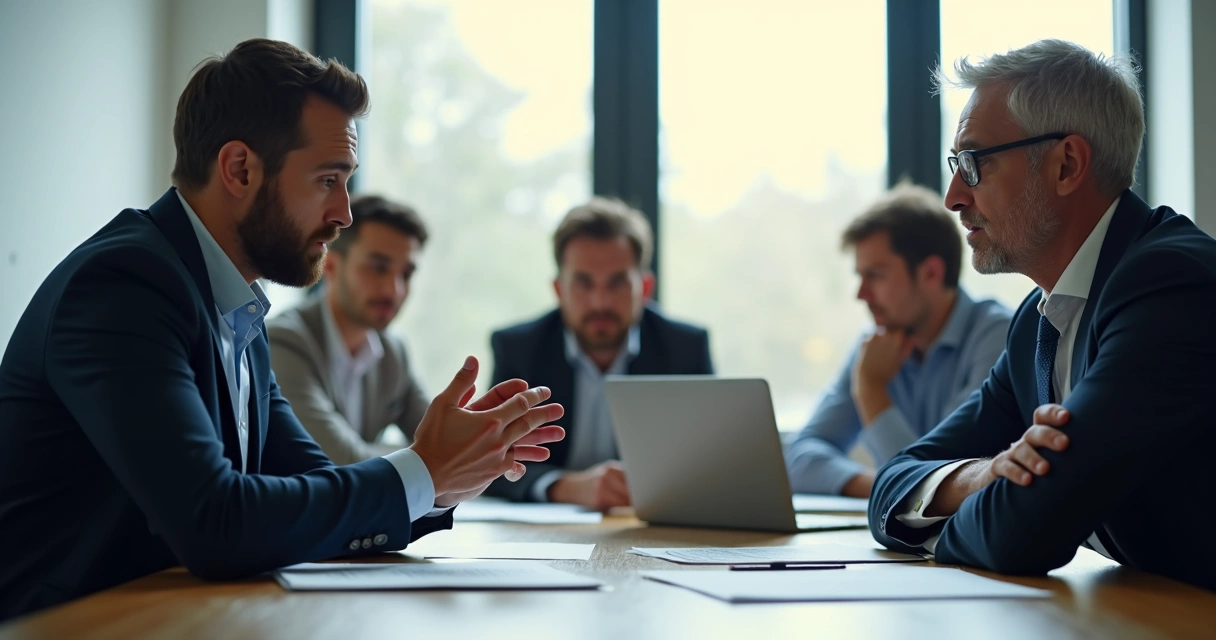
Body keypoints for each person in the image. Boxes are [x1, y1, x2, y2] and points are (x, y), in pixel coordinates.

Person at [0, 38, 564, 621]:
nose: (345, 212)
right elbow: (215, 521)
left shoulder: (237, 307)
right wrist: (421, 471)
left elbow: (318, 487)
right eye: (328, 179)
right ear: (240, 169)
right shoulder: (123, 287)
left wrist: (445, 477)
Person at [868, 39, 1216, 591]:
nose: (953, 196)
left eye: (973, 163)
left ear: (1067, 164)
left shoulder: (1173, 286)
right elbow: (891, 485)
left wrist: (1001, 505)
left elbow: (1022, 532)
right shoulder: (1037, 318)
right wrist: (983, 475)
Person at [785, 184, 1011, 498]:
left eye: (875, 275)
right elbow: (799, 459)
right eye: (860, 276)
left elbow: (940, 480)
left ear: (931, 273)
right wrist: (880, 487)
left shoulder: (999, 338)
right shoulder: (876, 345)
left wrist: (870, 390)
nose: (861, 294)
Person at [488, 198, 713, 509]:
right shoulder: (519, 348)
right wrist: (565, 487)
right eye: (583, 283)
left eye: (618, 283)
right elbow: (490, 462)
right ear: (558, 289)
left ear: (645, 288)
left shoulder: (685, 349)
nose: (600, 302)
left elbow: (712, 459)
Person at [268, 195, 431, 465]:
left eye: (406, 274)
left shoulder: (393, 352)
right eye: (378, 268)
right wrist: (435, 459)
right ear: (329, 265)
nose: (395, 290)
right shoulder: (283, 343)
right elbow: (343, 461)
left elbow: (451, 442)